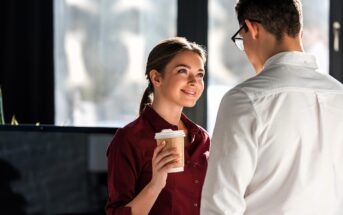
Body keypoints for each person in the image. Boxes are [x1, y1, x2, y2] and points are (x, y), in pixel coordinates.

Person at [201, 0, 343, 214]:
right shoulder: (339, 94)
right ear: (298, 32)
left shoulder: (244, 99)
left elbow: (220, 204)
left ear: (252, 29)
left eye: (242, 39)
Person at [106, 37, 210, 215]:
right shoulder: (129, 139)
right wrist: (156, 184)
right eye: (183, 71)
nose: (194, 81)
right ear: (156, 78)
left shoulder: (202, 138)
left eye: (200, 74)